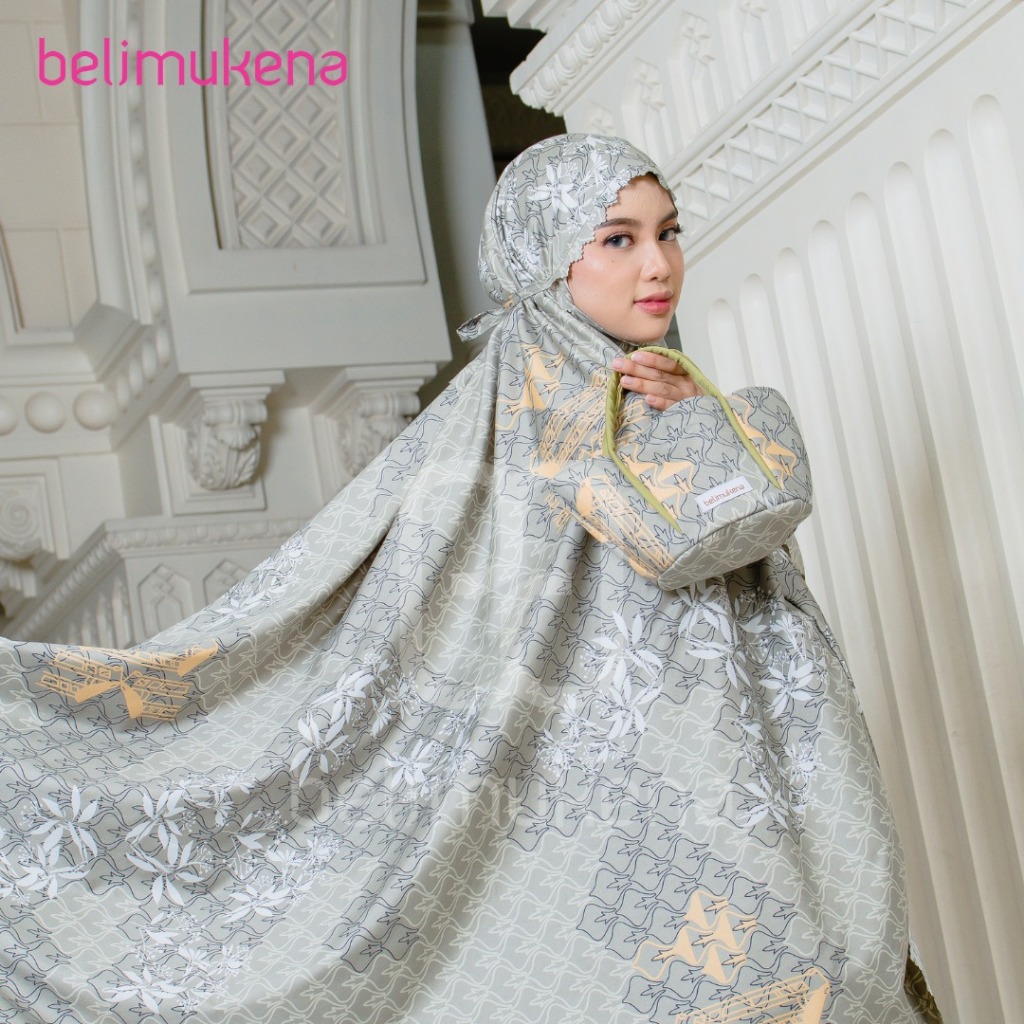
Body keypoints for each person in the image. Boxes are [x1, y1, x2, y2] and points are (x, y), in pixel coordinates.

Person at [0, 135, 937, 1022]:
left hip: (741, 793)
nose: (658, 264)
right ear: (544, 261)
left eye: (668, 232)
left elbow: (732, 546)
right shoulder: (500, 436)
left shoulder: (669, 399)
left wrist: (706, 421)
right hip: (605, 835)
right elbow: (363, 614)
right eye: (617, 239)